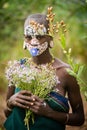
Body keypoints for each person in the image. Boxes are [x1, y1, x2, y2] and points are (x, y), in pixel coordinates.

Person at [4, 12, 85, 130]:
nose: (33, 42)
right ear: (24, 39)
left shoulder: (65, 73)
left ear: (50, 38)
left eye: (39, 36)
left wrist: (49, 113)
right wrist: (10, 102)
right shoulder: (17, 68)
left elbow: (79, 119)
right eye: (28, 37)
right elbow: (8, 113)